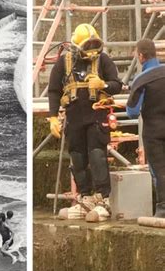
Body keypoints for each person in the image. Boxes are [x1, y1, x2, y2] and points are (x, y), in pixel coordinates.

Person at [48, 23, 122, 221]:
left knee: (97, 155)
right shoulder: (65, 62)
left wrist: (103, 84)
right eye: (87, 47)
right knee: (78, 158)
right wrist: (53, 116)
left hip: (96, 118)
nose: (91, 51)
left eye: (94, 46)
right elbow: (54, 90)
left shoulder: (103, 60)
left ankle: (103, 200)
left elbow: (117, 85)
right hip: (74, 119)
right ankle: (85, 198)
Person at [126, 39, 165, 218]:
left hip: (154, 131)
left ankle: (162, 209)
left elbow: (132, 112)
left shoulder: (142, 79)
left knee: (159, 169)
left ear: (141, 56)